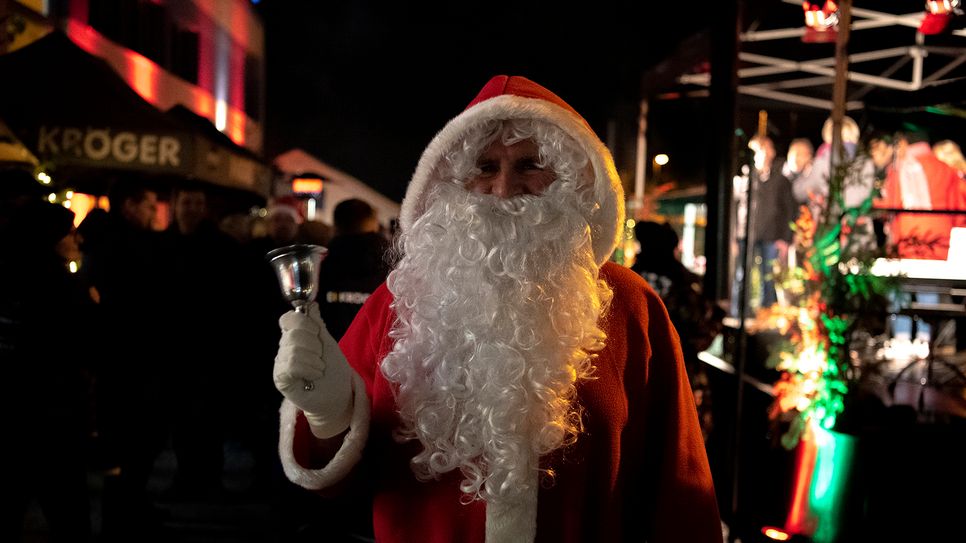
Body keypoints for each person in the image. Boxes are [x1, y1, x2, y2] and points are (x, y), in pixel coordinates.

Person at [271, 75, 721, 542]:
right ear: (452, 185)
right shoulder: (398, 301)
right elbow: (346, 481)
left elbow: (679, 489)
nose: (505, 190)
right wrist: (326, 415)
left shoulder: (630, 303)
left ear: (569, 181)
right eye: (484, 167)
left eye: (531, 165)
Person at [0, 201, 97, 542]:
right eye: (68, 233)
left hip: (14, 417)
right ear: (49, 237)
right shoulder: (59, 285)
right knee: (69, 514)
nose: (76, 240)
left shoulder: (9, 278)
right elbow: (83, 345)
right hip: (52, 418)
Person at [318, 198, 393, 340]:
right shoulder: (391, 266)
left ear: (335, 226)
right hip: (375, 357)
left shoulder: (321, 266)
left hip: (329, 353)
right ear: (374, 224)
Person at [747, 135, 796, 309]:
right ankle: (742, 311)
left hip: (773, 236)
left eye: (765, 149)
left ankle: (767, 312)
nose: (761, 155)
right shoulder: (749, 179)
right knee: (744, 275)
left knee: (768, 277)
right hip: (750, 235)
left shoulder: (781, 181)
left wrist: (786, 238)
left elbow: (790, 210)